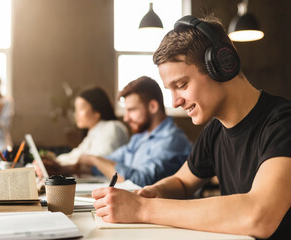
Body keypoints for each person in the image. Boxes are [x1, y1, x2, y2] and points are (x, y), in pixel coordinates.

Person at [92, 15, 291, 240]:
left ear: (222, 66)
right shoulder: (215, 131)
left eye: (182, 85)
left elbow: (260, 215)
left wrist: (141, 209)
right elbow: (181, 182)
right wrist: (154, 192)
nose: (176, 101)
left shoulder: (283, 123)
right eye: (171, 90)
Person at [77, 76, 192, 187]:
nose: (126, 118)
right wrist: (69, 167)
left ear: (152, 107)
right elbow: (108, 163)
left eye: (131, 110)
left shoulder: (172, 140)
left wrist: (93, 159)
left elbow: (139, 182)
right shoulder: (139, 138)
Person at [33, 86, 129, 177]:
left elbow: (101, 160)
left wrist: (61, 166)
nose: (76, 114)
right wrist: (54, 162)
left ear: (97, 112)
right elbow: (76, 154)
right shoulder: (93, 132)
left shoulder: (113, 127)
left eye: (81, 109)